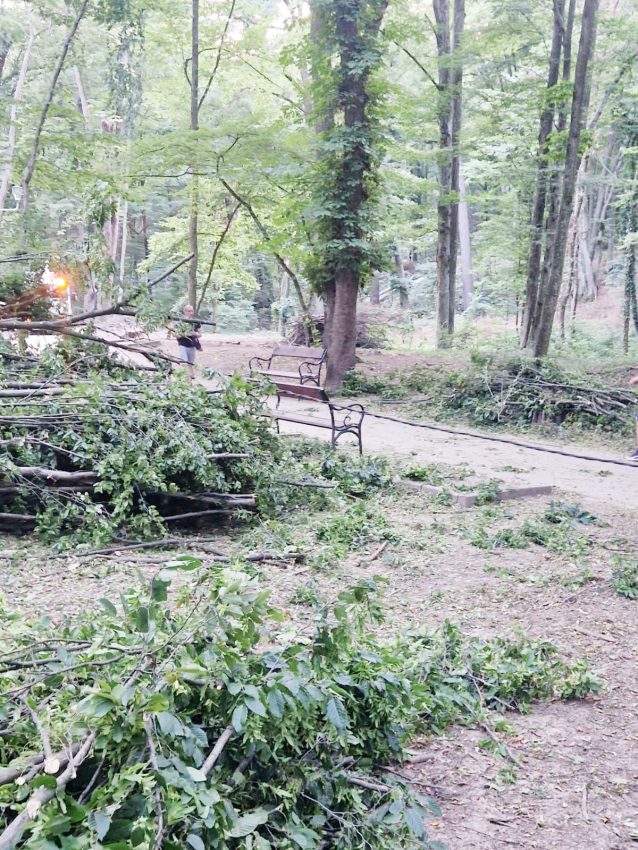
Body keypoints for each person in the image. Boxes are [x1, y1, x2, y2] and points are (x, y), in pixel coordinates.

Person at [176, 304, 202, 379]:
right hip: (182, 344)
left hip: (192, 344)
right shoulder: (180, 322)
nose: (190, 313)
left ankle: (191, 374)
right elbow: (176, 335)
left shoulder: (196, 322)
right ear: (184, 311)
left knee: (190, 362)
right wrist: (186, 334)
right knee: (184, 361)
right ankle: (184, 375)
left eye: (191, 311)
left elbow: (200, 334)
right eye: (188, 311)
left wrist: (194, 334)